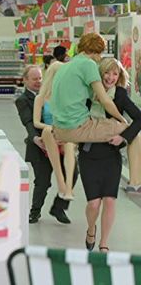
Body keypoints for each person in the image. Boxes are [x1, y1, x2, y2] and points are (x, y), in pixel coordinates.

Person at [46, 33, 141, 188]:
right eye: (100, 54)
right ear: (97, 52)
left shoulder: (66, 66)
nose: (99, 59)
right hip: (78, 128)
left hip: (59, 126)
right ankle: (136, 183)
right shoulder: (88, 64)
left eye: (114, 74)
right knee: (131, 131)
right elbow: (105, 101)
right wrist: (122, 121)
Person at [80, 57, 141, 253]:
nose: (111, 77)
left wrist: (123, 138)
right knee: (93, 203)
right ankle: (91, 229)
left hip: (110, 155)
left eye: (115, 74)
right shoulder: (87, 93)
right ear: (99, 73)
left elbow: (139, 118)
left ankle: (104, 243)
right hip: (88, 153)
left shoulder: (121, 95)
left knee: (109, 200)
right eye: (107, 72)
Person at [15, 65, 77, 224]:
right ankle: (35, 212)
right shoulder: (23, 100)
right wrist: (36, 139)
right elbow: (29, 122)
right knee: (43, 181)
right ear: (25, 80)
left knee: (73, 173)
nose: (38, 81)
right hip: (39, 146)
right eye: (34, 79)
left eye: (40, 78)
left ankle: (59, 207)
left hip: (61, 142)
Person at [34, 61, 76, 200]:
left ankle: (68, 187)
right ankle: (61, 183)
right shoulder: (40, 98)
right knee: (47, 131)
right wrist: (51, 127)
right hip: (49, 133)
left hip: (64, 132)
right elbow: (36, 122)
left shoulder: (68, 97)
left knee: (69, 143)